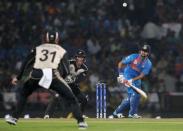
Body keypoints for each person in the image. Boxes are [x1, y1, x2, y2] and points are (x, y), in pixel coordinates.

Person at [5, 31, 88, 129]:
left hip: (36, 75)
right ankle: (81, 122)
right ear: (57, 39)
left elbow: (26, 62)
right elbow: (65, 69)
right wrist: (64, 78)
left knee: (23, 94)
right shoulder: (61, 50)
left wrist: (18, 77)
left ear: (46, 39)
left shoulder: (38, 48)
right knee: (71, 98)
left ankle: (14, 118)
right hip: (52, 76)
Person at [109, 44, 152, 119]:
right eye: (142, 51)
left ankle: (116, 112)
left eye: (145, 51)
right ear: (140, 51)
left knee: (132, 97)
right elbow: (120, 63)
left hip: (136, 78)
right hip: (127, 75)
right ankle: (132, 114)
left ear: (148, 53)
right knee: (135, 94)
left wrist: (132, 80)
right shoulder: (133, 56)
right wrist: (121, 75)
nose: (143, 52)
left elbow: (142, 75)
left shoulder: (148, 63)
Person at [44, 49, 88, 119]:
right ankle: (47, 115)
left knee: (84, 99)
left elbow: (80, 79)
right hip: (63, 83)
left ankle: (80, 115)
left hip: (72, 85)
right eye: (79, 57)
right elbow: (59, 71)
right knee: (56, 96)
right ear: (76, 57)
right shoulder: (68, 63)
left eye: (82, 57)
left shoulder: (85, 68)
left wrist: (75, 77)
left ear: (84, 59)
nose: (80, 59)